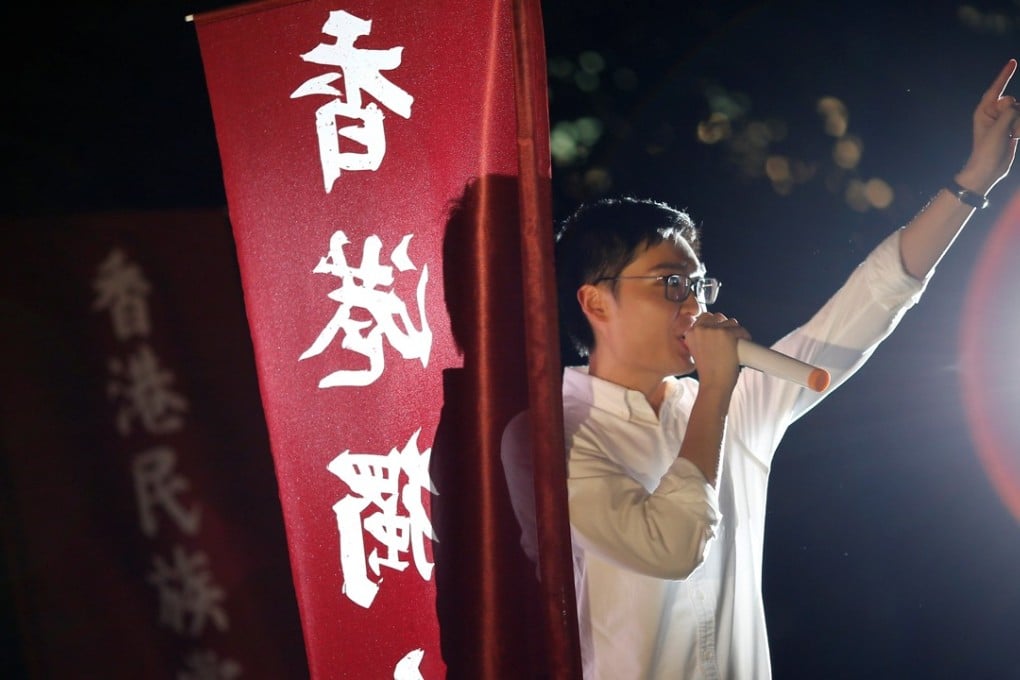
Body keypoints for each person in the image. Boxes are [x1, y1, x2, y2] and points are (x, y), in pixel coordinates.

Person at [551, 60, 1020, 679]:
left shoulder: (733, 402)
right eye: (670, 284)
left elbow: (871, 299)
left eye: (699, 286)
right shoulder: (556, 432)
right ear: (595, 302)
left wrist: (972, 182)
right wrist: (717, 389)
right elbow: (669, 546)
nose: (695, 307)